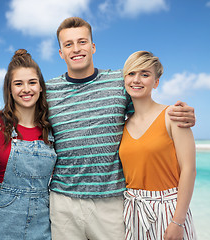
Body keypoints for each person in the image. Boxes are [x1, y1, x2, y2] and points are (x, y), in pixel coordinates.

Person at [46, 17, 196, 239]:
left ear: (93, 46)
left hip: (112, 202)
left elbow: (147, 107)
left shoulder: (120, 81)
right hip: (63, 202)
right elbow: (23, 116)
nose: (76, 49)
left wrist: (185, 114)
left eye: (82, 42)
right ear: (60, 52)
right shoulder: (48, 91)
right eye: (68, 44)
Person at [119, 51, 196, 239]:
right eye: (131, 73)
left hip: (169, 211)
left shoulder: (173, 115)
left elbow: (189, 170)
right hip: (133, 212)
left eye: (145, 74)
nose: (136, 80)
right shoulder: (122, 125)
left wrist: (178, 221)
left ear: (155, 82)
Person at [0, 49, 57, 239]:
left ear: (41, 87)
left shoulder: (52, 127)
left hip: (43, 218)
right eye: (18, 84)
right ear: (9, 89)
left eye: (32, 82)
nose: (26, 89)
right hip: (2, 218)